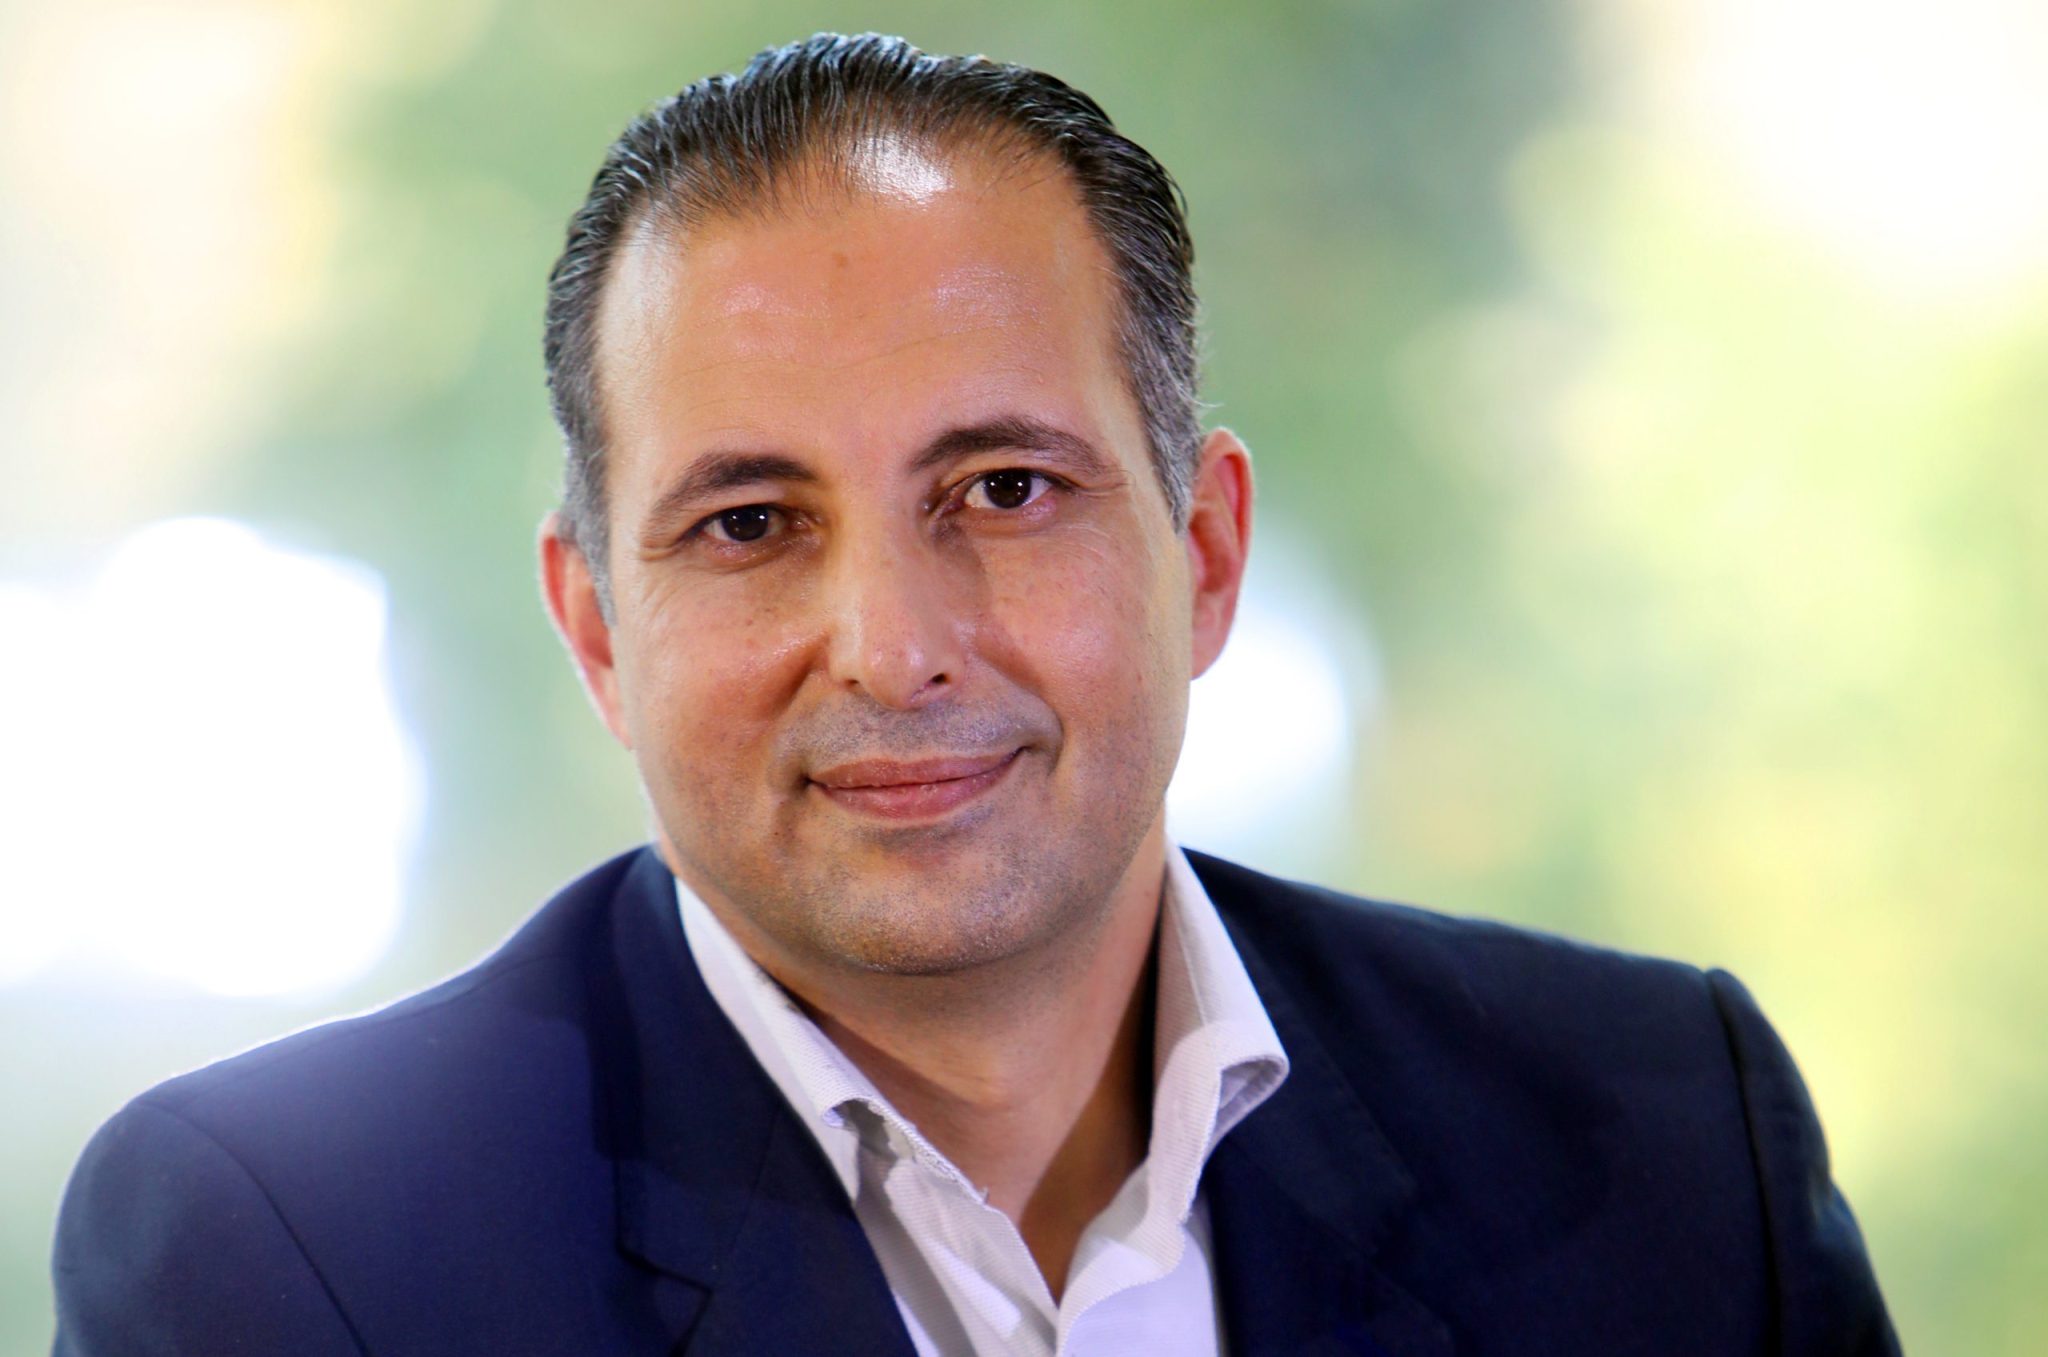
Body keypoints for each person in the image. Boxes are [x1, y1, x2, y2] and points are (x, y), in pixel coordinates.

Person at [50, 33, 1899, 1357]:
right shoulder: (287, 1262)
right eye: (750, 521)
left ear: (1204, 552)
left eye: (1004, 489)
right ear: (599, 629)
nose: (893, 644)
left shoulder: (1673, 1141)